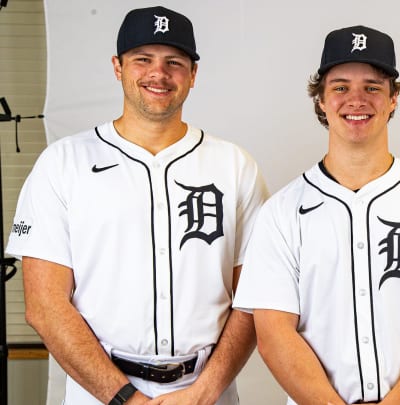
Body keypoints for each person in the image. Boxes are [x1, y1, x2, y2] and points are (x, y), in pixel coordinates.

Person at [7, 6, 267, 404]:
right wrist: (125, 398)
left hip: (206, 392)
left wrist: (202, 393)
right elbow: (44, 306)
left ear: (193, 74)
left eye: (174, 62)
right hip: (100, 392)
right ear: (118, 66)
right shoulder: (63, 164)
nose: (158, 74)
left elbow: (254, 297)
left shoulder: (235, 166)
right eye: (142, 59)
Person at [233, 25, 400, 405]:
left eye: (372, 87)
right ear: (320, 98)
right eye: (340, 87)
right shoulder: (281, 212)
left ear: (393, 97)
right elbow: (273, 335)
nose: (356, 99)